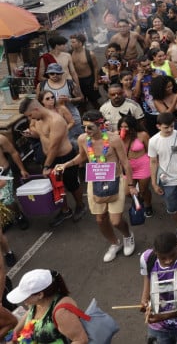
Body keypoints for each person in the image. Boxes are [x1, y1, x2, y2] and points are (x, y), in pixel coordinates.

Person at [55, 111, 136, 262]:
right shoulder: (83, 139)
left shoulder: (114, 139)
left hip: (115, 180)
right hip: (95, 181)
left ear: (100, 125)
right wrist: (66, 164)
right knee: (100, 219)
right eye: (84, 127)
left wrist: (131, 185)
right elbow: (82, 156)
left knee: (116, 221)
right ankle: (114, 243)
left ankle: (127, 236)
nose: (86, 131)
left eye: (90, 127)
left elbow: (125, 163)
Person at [20, 97, 87, 227]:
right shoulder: (37, 119)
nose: (30, 118)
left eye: (30, 115)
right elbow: (40, 135)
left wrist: (46, 166)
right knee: (57, 186)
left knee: (72, 184)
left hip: (63, 157)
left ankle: (80, 205)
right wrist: (31, 133)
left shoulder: (56, 121)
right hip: (49, 158)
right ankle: (65, 210)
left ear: (36, 109)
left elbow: (54, 147)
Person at [8, 269, 89, 344]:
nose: (23, 300)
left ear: (40, 295)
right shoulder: (36, 303)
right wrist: (12, 337)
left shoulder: (61, 313)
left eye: (25, 296)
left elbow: (81, 340)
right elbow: (29, 314)